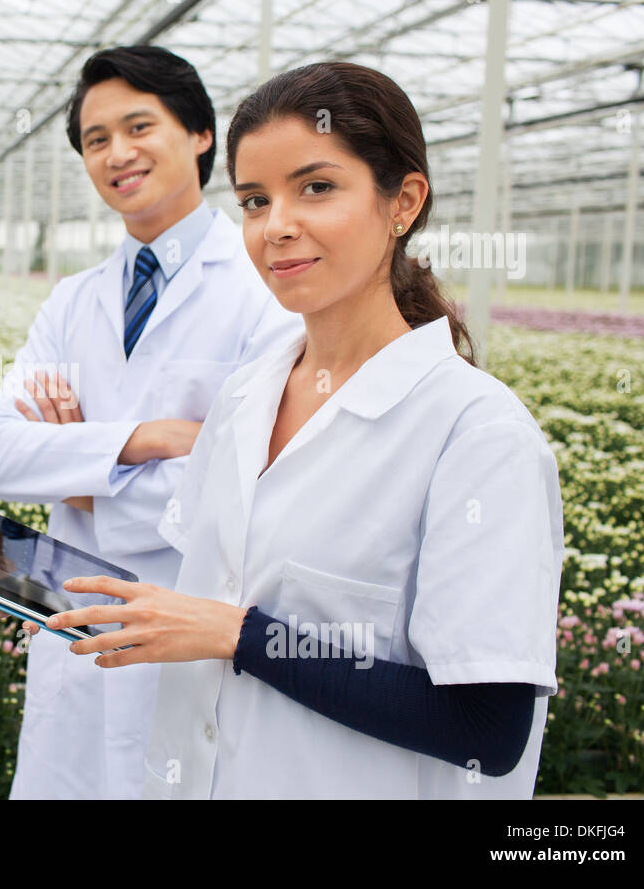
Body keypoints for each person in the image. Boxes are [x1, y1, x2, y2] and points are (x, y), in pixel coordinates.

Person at [43, 62, 565, 799]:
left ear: (402, 202)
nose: (277, 225)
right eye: (255, 200)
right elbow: (200, 589)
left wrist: (241, 636)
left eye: (316, 187)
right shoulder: (245, 399)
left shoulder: (476, 434)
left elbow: (487, 727)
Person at [0, 45, 303, 800]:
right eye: (95, 140)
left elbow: (253, 495)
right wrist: (144, 441)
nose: (117, 153)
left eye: (139, 126)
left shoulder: (263, 291)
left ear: (199, 136)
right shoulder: (72, 301)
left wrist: (82, 481)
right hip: (71, 636)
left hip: (192, 640)